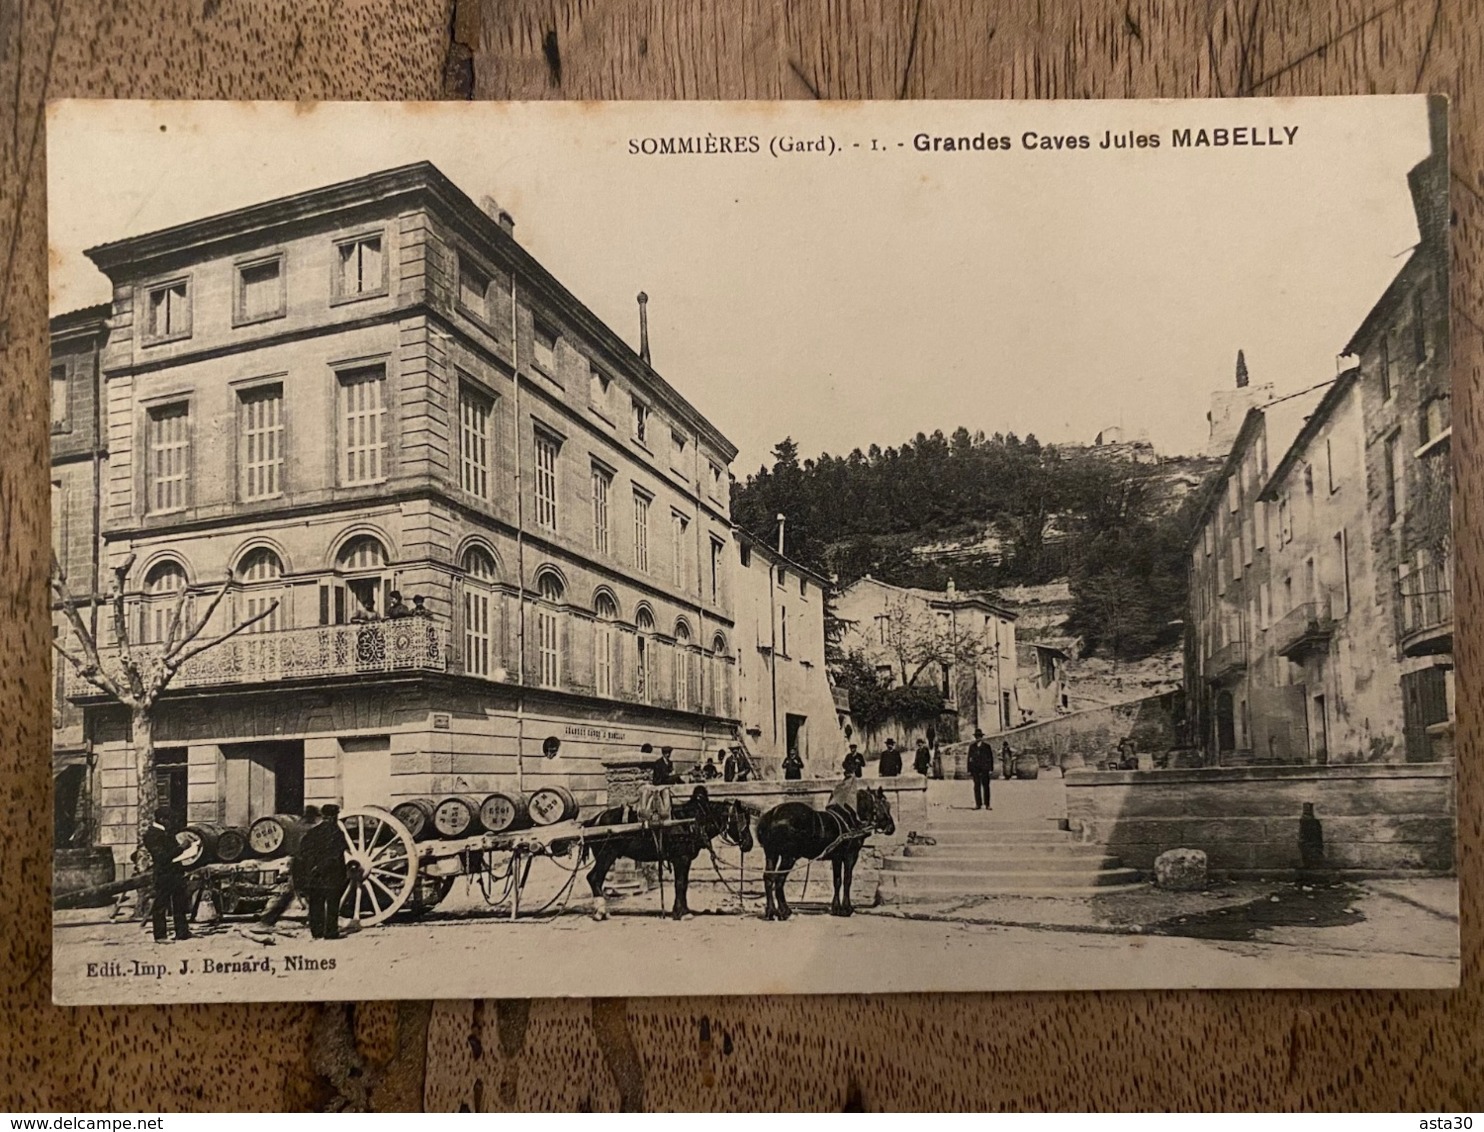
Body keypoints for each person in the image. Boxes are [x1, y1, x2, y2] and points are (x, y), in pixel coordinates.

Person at [300, 803, 350, 940]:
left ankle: (317, 932)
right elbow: (340, 852)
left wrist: (312, 867)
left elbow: (303, 852)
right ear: (335, 816)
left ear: (323, 816)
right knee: (332, 904)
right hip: (331, 874)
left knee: (316, 904)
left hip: (314, 875)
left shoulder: (312, 832)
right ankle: (331, 932)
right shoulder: (337, 832)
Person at [142, 807, 192, 942]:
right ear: (162, 820)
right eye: (170, 819)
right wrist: (181, 848)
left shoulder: (166, 832)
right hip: (164, 873)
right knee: (161, 904)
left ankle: (182, 932)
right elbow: (162, 858)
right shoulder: (151, 835)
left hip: (175, 871)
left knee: (180, 902)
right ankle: (160, 935)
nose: (172, 822)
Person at [966, 728, 994, 811]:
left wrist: (990, 769)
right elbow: (969, 758)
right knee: (976, 786)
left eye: (979, 736)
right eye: (977, 736)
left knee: (986, 786)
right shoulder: (972, 747)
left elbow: (990, 758)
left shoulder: (987, 747)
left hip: (985, 769)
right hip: (975, 770)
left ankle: (987, 804)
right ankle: (978, 804)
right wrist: (969, 770)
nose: (978, 738)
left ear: (982, 737)